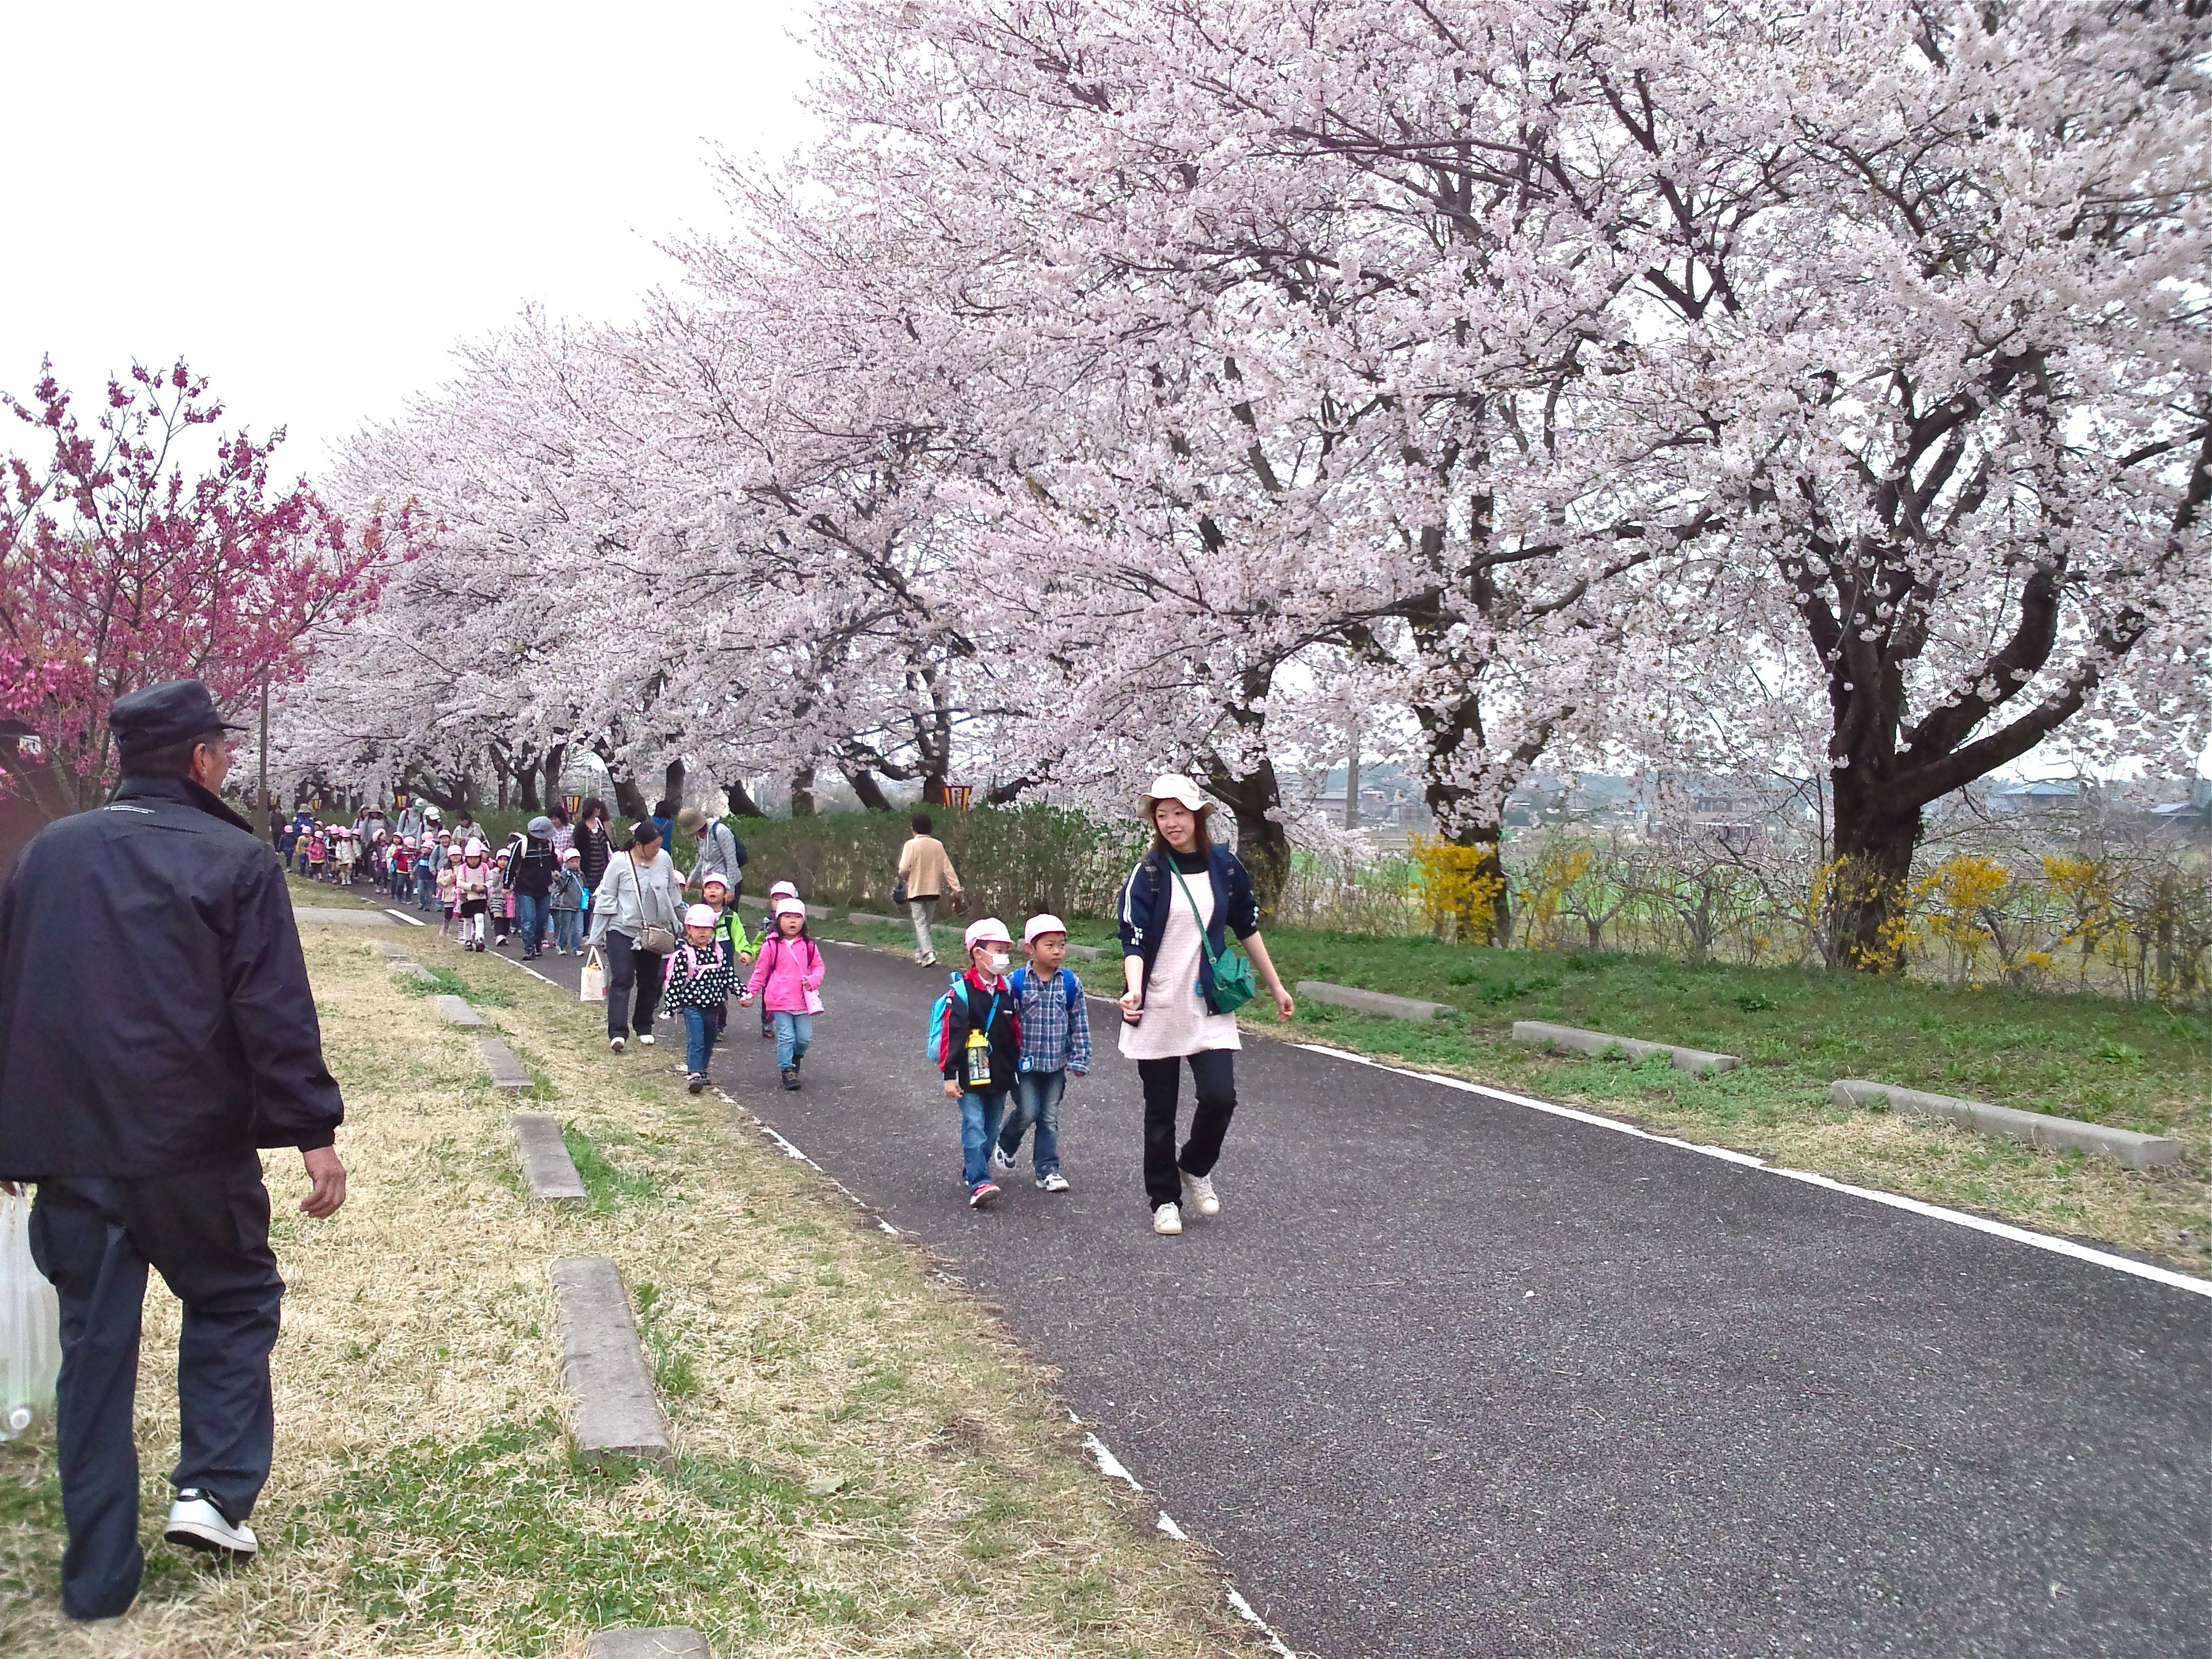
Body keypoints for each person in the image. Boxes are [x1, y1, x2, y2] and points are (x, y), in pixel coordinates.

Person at [0, 680, 346, 1623]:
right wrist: (313, 1133)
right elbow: (271, 1011)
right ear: (200, 759)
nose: (229, 763)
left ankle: (98, 1578)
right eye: (223, 751)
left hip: (71, 1150)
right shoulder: (236, 861)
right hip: (192, 1146)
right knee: (233, 1297)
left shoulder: (46, 858)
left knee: (95, 1350)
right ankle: (213, 1492)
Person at [1115, 773, 1295, 1237]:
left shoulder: (1225, 866)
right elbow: (1132, 939)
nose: (1171, 822)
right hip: (1156, 1001)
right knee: (1161, 1109)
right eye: (1162, 814)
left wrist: (1276, 986)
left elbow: (1246, 927)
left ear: (1197, 815)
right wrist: (1133, 989)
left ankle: (1194, 1165)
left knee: (1220, 1096)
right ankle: (1164, 1201)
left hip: (1207, 1001)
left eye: (1179, 812)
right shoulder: (1149, 871)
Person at [991, 914, 1090, 1193]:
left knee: (1049, 1117)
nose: (1058, 951)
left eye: (1061, 944)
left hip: (1056, 1064)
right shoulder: (1015, 982)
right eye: (1050, 945)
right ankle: (1007, 1142)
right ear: (1030, 949)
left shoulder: (1071, 983)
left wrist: (1080, 1057)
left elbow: (1079, 1023)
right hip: (1023, 1065)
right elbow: (1002, 1022)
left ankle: (1047, 1169)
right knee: (1028, 1111)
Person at [933, 918, 1022, 1208]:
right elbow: (952, 1036)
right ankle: (980, 1181)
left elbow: (1014, 1034)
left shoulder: (1007, 989)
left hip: (999, 1075)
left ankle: (974, 1168)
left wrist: (1016, 1069)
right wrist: (949, 1076)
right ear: (977, 954)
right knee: (974, 1125)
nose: (1003, 957)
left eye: (1005, 950)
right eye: (997, 949)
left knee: (992, 1129)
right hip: (969, 1074)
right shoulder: (961, 993)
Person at [586, 819, 682, 1053]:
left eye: (659, 846)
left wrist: (682, 921)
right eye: (653, 846)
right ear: (639, 845)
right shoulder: (619, 862)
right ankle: (618, 1032)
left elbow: (673, 893)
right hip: (622, 929)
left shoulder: (664, 861)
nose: (656, 851)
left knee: (651, 982)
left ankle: (643, 1025)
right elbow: (607, 898)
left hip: (653, 931)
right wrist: (595, 936)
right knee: (622, 978)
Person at [739, 897, 824, 1090]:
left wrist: (812, 980)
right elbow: (760, 972)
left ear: (803, 921)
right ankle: (787, 1070)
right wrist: (750, 993)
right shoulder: (771, 945)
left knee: (804, 1038)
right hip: (779, 1000)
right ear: (778, 920)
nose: (792, 921)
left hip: (803, 1001)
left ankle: (796, 1058)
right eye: (787, 917)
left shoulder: (809, 945)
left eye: (797, 917)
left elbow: (819, 967)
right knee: (786, 1036)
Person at [663, 904, 737, 1094]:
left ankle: (702, 1069)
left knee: (710, 1039)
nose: (702, 932)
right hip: (692, 1006)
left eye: (706, 928)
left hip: (714, 1006)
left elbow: (729, 976)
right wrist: (670, 1007)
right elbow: (675, 983)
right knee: (696, 1040)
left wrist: (742, 992)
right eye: (697, 928)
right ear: (688, 929)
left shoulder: (718, 952)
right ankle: (694, 1072)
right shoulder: (683, 954)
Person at [695, 871, 754, 1045]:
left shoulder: (730, 917)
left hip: (723, 967)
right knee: (699, 995)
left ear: (726, 893)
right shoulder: (697, 914)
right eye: (709, 887)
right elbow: (688, 935)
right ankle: (702, 1025)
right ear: (704, 892)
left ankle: (719, 1026)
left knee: (721, 996)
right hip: (700, 965)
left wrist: (745, 951)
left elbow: (739, 936)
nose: (713, 891)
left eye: (718, 888)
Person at [897, 813, 962, 967]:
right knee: (926, 923)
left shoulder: (911, 845)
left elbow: (904, 868)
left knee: (920, 923)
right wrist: (956, 887)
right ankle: (920, 955)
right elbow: (948, 868)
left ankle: (929, 953)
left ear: (914, 829)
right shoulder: (937, 845)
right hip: (933, 890)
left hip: (916, 889)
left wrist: (905, 876)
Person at [507, 817, 558, 960]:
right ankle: (528, 948)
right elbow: (511, 867)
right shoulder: (521, 846)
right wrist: (507, 885)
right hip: (525, 888)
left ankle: (537, 944)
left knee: (542, 920)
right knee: (529, 918)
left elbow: (553, 862)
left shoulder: (549, 845)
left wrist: (556, 870)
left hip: (544, 888)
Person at [758, 880, 800, 1037]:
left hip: (789, 966)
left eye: (784, 899)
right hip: (770, 965)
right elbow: (759, 939)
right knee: (768, 993)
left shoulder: (797, 923)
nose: (779, 903)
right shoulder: (768, 922)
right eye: (776, 899)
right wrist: (753, 952)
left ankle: (791, 1020)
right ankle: (767, 1022)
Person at [679, 805, 746, 899]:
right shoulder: (698, 837)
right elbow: (703, 858)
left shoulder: (720, 832)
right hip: (708, 883)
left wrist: (731, 889)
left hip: (725, 883)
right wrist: (692, 878)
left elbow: (731, 861)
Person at [549, 848, 587, 955]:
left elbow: (585, 887)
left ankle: (576, 948)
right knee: (565, 928)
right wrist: (556, 878)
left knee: (579, 929)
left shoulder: (581, 875)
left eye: (577, 861)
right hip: (566, 905)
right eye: (572, 862)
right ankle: (561, 945)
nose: (575, 864)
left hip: (579, 905)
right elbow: (559, 884)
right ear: (566, 862)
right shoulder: (565, 875)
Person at [573, 798, 613, 895]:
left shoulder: (599, 823)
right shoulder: (581, 827)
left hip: (602, 867)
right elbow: (579, 848)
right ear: (595, 810)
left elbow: (606, 842)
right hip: (588, 869)